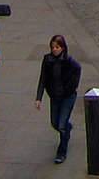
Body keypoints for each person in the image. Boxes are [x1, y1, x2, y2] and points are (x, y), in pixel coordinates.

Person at [32, 34, 82, 165]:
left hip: (67, 97)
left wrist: (72, 87)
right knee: (55, 123)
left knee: (61, 125)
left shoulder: (69, 61)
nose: (54, 49)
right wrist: (39, 98)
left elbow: (78, 69)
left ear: (63, 48)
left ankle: (62, 151)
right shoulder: (48, 60)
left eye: (57, 47)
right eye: (52, 47)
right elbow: (43, 79)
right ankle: (67, 127)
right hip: (55, 96)